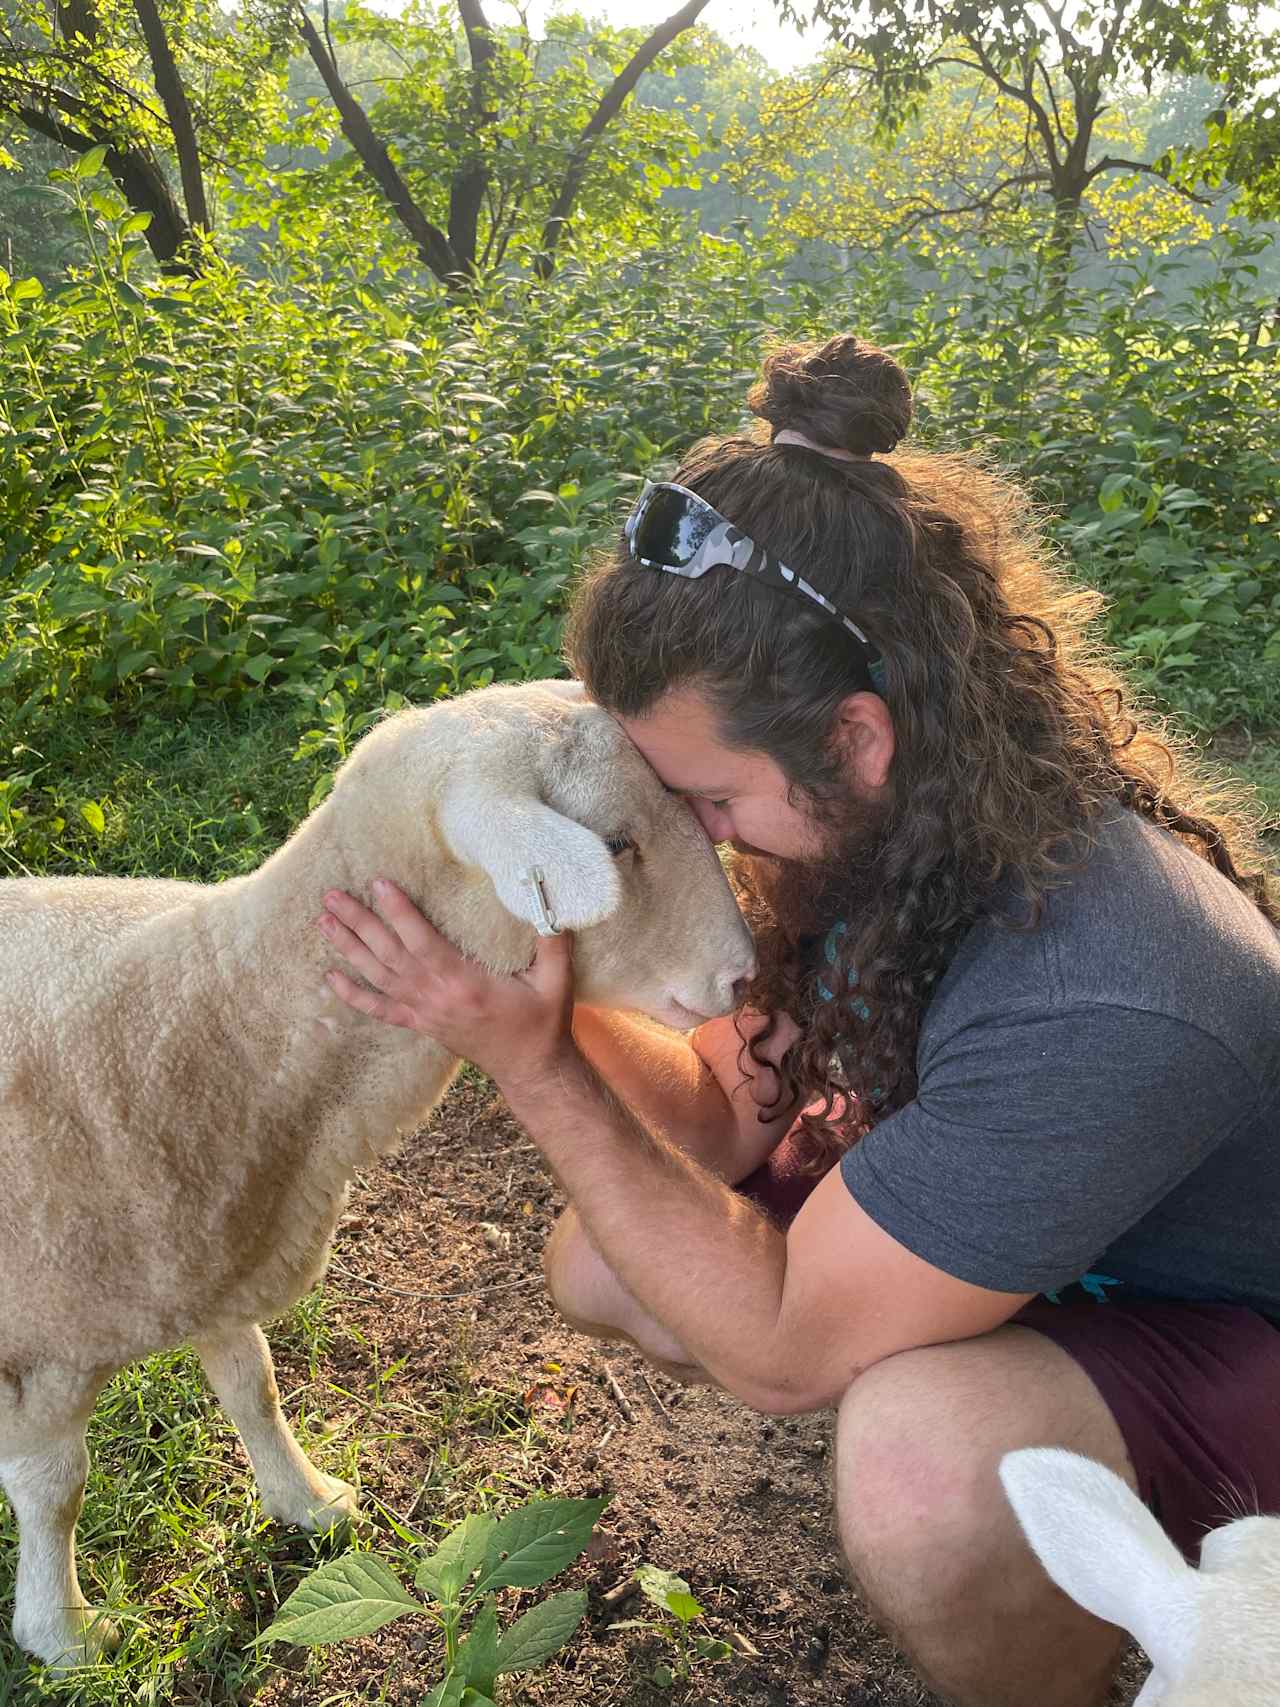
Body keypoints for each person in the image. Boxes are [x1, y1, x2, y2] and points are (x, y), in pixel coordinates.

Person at [315, 334, 1280, 1707]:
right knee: (610, 1262)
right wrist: (544, 1002)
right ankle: (981, 1386)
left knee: (925, 1466)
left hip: (1235, 1326)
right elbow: (718, 1116)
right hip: (1077, 1250)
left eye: (710, 802)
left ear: (858, 740)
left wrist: (530, 1072)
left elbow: (771, 1349)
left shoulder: (1110, 991)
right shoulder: (881, 836)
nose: (703, 844)